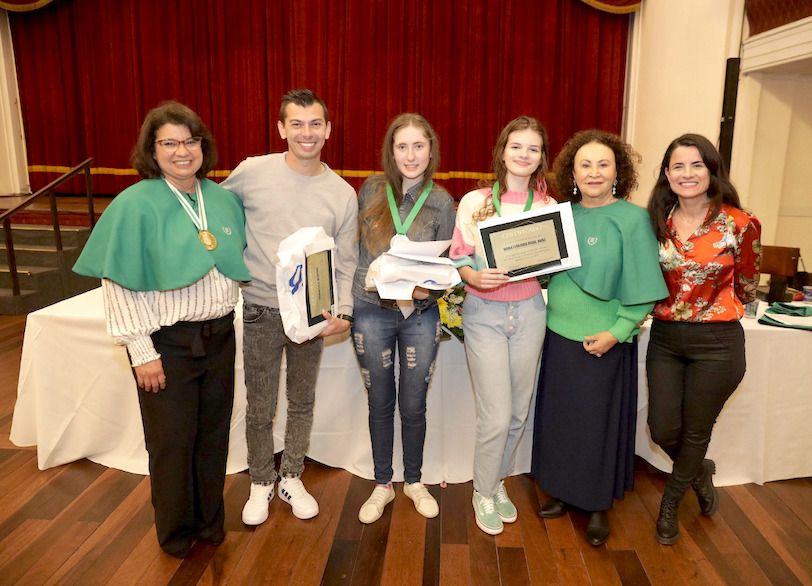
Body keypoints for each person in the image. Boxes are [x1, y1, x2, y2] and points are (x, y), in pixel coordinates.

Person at [73, 101, 251, 558]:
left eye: (190, 141)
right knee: (173, 444)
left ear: (202, 146)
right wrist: (140, 350)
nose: (182, 151)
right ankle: (176, 535)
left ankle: (210, 524)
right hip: (167, 346)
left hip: (218, 336)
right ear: (152, 152)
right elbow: (117, 281)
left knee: (212, 438)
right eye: (169, 143)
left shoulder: (220, 198)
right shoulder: (135, 203)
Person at [221, 88, 358, 525]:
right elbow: (220, 218)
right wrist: (231, 265)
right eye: (296, 123)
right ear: (281, 128)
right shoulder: (251, 172)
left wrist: (345, 311)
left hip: (313, 315)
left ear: (328, 130)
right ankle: (261, 479)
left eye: (315, 123)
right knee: (259, 404)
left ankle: (292, 474)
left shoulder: (341, 194)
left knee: (301, 401)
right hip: (261, 308)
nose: (306, 132)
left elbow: (348, 260)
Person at [530, 130, 667, 546]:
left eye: (603, 164)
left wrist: (617, 332)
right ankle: (560, 491)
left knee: (596, 427)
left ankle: (595, 505)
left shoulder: (632, 218)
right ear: (572, 171)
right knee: (560, 422)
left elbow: (643, 287)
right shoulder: (561, 215)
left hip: (605, 338)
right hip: (557, 334)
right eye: (585, 164)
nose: (593, 172)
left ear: (617, 172)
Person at [646, 133, 761, 545]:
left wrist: (716, 300)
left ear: (712, 172)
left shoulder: (739, 222)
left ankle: (671, 503)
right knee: (661, 428)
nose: (688, 173)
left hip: (718, 343)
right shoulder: (655, 221)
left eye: (697, 165)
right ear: (666, 174)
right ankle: (699, 471)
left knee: (696, 431)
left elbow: (748, 284)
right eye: (678, 165)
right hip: (665, 338)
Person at [449, 116, 553, 535]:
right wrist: (472, 275)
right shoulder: (475, 201)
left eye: (533, 148)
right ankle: (482, 490)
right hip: (484, 314)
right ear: (502, 150)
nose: (524, 154)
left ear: (542, 156)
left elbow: (552, 263)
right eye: (517, 146)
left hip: (530, 312)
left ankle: (498, 482)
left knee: (517, 412)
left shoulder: (548, 205)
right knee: (495, 415)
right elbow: (459, 256)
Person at [351, 114, 455, 524]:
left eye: (418, 146)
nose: (410, 155)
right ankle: (382, 484)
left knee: (413, 404)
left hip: (419, 315)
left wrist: (431, 286)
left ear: (431, 150)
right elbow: (357, 253)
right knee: (380, 401)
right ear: (390, 151)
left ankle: (413, 480)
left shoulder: (443, 201)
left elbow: (446, 265)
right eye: (402, 146)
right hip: (372, 311)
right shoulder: (371, 190)